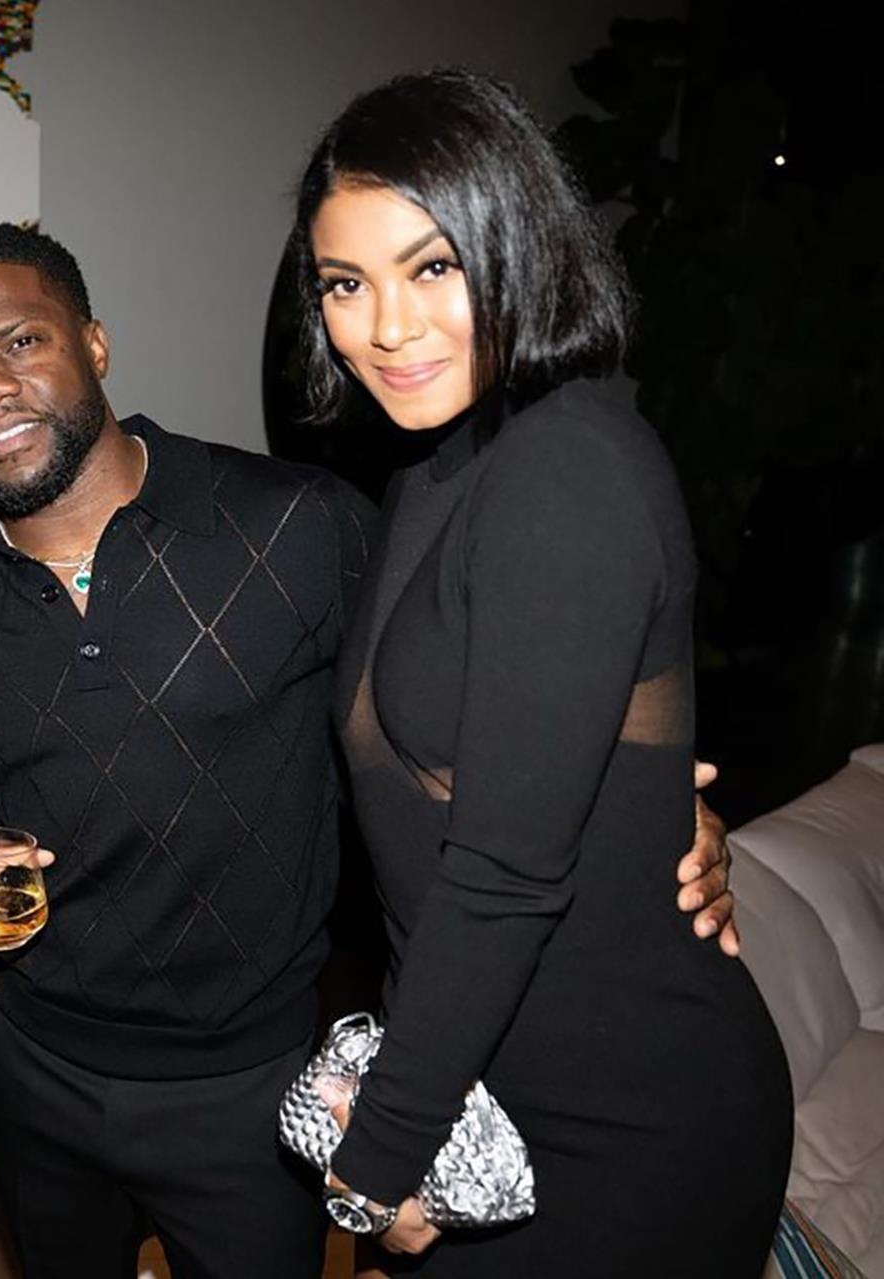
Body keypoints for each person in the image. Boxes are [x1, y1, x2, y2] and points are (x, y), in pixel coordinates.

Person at [0, 223, 742, 1279]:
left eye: (21, 342)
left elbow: (477, 706)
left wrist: (652, 804)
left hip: (250, 1081)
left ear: (95, 344)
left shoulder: (296, 526)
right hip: (32, 1066)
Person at [298, 70, 790, 1275]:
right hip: (495, 1093)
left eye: (433, 267)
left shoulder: (566, 467)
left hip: (623, 1117)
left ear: (515, 244)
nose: (388, 327)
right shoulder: (439, 464)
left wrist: (375, 1166)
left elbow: (506, 873)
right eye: (345, 285)